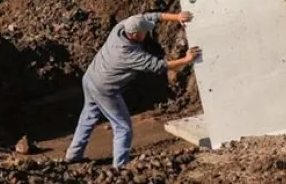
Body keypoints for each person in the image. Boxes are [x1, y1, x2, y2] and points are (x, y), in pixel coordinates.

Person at [65, 11, 202, 169]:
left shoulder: (121, 27)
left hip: (90, 79)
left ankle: (73, 155)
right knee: (122, 127)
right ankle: (120, 167)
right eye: (144, 32)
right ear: (135, 34)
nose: (147, 33)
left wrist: (177, 17)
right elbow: (159, 66)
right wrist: (186, 59)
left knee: (88, 117)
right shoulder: (128, 54)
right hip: (105, 89)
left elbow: (151, 17)